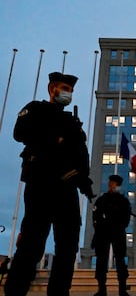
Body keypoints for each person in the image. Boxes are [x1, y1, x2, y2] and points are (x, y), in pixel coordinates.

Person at [4, 71, 95, 296]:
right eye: (65, 89)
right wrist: (55, 139)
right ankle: (15, 291)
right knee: (32, 244)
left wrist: (84, 181)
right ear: (52, 89)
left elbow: (81, 154)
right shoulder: (35, 109)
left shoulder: (72, 122)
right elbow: (20, 133)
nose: (68, 94)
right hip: (42, 182)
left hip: (67, 188)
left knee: (68, 246)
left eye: (71, 91)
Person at [92, 175, 132, 296]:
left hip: (117, 232)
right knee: (101, 261)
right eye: (110, 184)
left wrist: (118, 225)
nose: (111, 187)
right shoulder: (102, 200)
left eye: (114, 185)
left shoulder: (123, 201)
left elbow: (126, 218)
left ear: (118, 186)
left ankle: (122, 289)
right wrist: (100, 227)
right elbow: (95, 217)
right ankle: (101, 289)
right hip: (103, 233)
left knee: (120, 260)